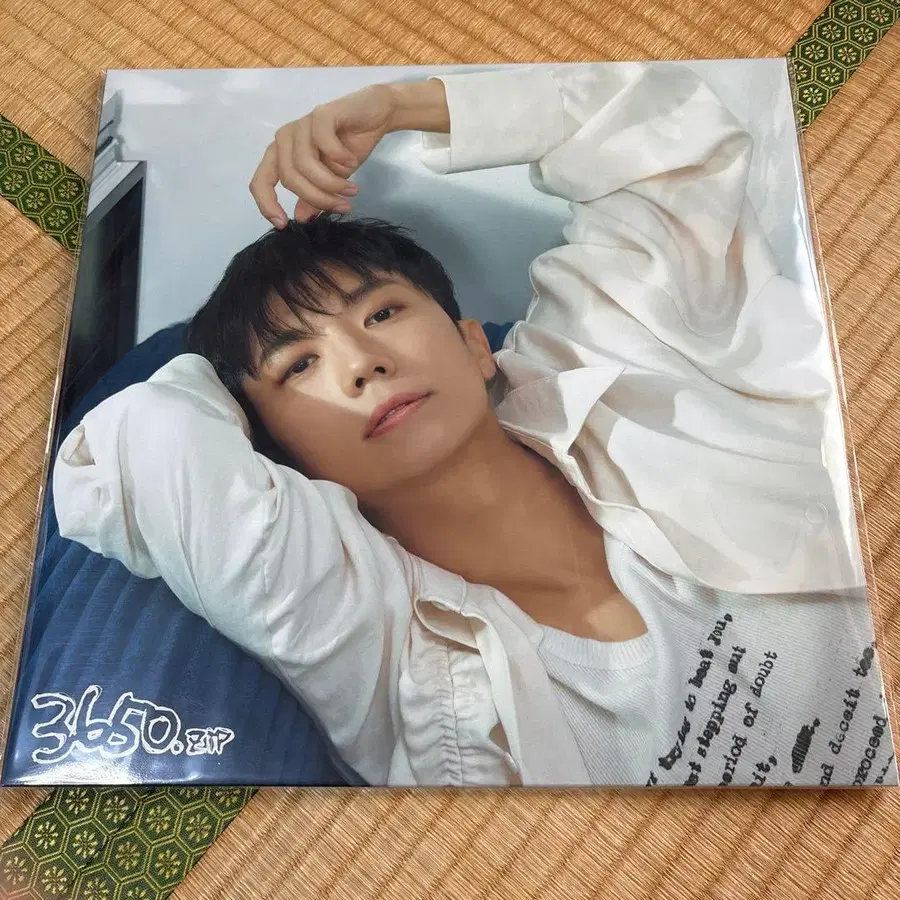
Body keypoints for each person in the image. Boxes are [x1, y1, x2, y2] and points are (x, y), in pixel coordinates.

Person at [54, 63, 897, 787]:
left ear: (473, 343)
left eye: (382, 313)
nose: (361, 363)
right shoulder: (365, 630)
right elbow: (144, 440)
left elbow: (662, 136)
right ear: (278, 453)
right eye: (299, 366)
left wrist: (395, 103)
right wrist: (231, 390)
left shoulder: (616, 363)